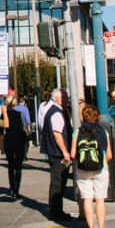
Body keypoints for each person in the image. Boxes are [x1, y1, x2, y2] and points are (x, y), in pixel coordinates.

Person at [74, 105, 113, 228]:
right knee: (100, 199)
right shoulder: (103, 132)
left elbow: (73, 153)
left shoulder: (77, 132)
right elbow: (109, 156)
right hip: (100, 169)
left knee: (87, 199)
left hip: (83, 169)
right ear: (97, 117)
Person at [41, 89, 73, 221]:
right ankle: (55, 211)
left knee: (59, 182)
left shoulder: (58, 111)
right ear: (57, 99)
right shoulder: (56, 113)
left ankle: (57, 210)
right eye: (65, 97)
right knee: (58, 182)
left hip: (55, 152)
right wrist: (65, 152)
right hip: (57, 153)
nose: (67, 99)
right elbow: (57, 134)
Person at [2, 95, 28, 197]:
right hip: (19, 142)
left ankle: (11, 187)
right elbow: (24, 128)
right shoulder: (19, 114)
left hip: (8, 142)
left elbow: (1, 130)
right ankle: (16, 189)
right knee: (18, 167)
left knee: (10, 165)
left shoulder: (4, 114)